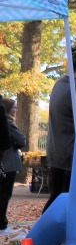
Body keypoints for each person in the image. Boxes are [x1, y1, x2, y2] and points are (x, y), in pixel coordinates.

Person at [44, 44, 76, 213]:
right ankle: (42, 235)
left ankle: (42, 234)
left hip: (56, 151)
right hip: (70, 153)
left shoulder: (59, 83)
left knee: (56, 196)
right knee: (64, 200)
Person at [1, 98, 26, 237]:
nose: (16, 110)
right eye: (14, 107)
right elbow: (22, 139)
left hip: (4, 162)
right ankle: (2, 225)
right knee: (5, 194)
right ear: (7, 108)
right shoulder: (8, 123)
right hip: (8, 162)